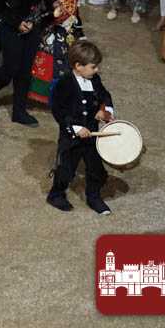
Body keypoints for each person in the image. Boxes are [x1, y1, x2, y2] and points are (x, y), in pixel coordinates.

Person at [46, 41, 116, 215]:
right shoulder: (65, 83)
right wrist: (76, 128)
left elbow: (104, 96)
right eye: (93, 67)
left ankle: (93, 197)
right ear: (78, 66)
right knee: (66, 169)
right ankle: (56, 194)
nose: (97, 70)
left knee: (96, 169)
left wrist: (104, 111)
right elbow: (58, 110)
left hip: (92, 134)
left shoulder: (95, 79)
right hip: (71, 136)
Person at [28, 0, 85, 105]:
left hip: (70, 37)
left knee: (69, 65)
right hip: (55, 38)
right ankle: (53, 96)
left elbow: (77, 16)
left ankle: (67, 94)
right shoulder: (53, 0)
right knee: (53, 66)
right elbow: (43, 18)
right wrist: (54, 15)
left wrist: (80, 33)